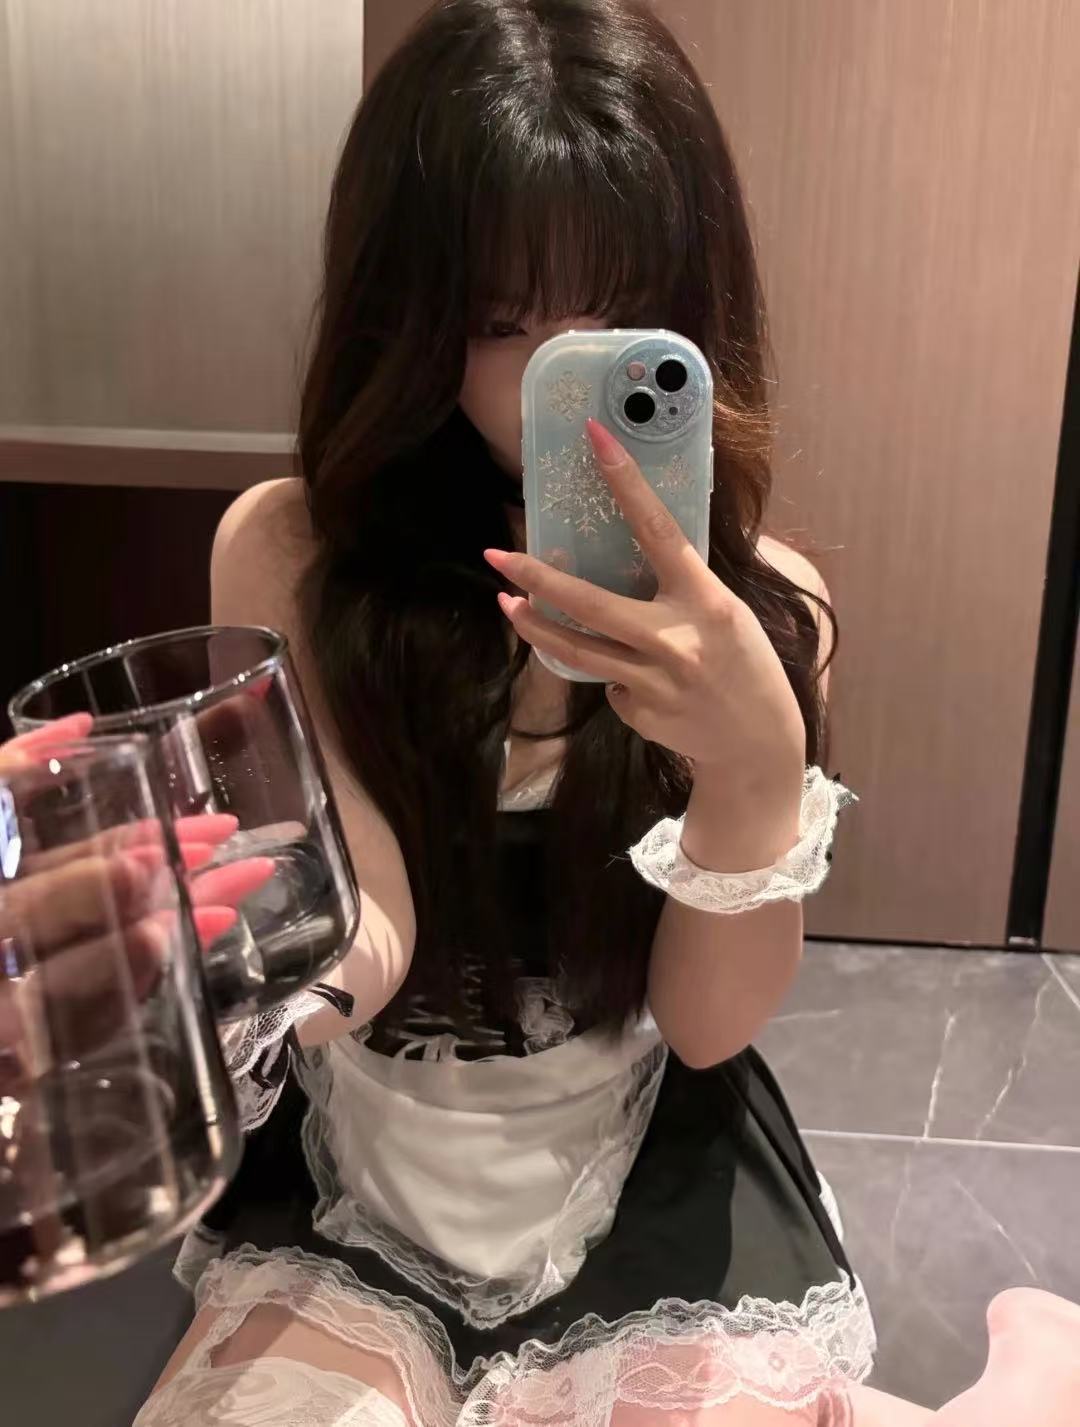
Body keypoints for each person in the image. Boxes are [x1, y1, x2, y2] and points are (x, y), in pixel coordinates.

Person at [134, 1, 875, 1421]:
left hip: (643, 1161)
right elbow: (372, 921)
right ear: (407, 319)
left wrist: (752, 772)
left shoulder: (769, 610)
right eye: (502, 322)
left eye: (617, 317)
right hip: (365, 1176)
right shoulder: (295, 557)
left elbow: (704, 1027)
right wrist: (246, 996)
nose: (563, 380)